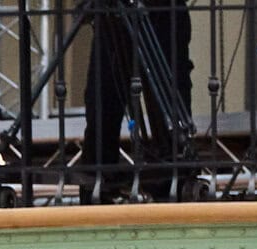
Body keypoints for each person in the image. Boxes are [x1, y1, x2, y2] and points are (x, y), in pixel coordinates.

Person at [76, 0, 193, 201]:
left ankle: (171, 184)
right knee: (102, 104)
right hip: (112, 13)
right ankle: (97, 184)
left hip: (162, 11)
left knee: (167, 108)